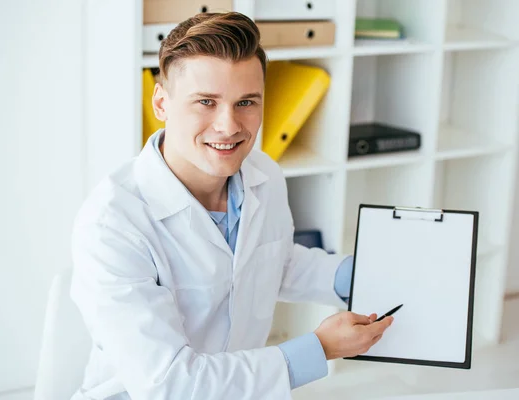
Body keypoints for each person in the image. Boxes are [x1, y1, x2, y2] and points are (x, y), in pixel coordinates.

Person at [70, 11, 393, 400]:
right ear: (161, 103)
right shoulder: (111, 224)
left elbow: (273, 261)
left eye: (246, 102)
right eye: (206, 102)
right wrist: (319, 349)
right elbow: (170, 384)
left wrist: (360, 274)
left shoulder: (263, 175)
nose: (229, 126)